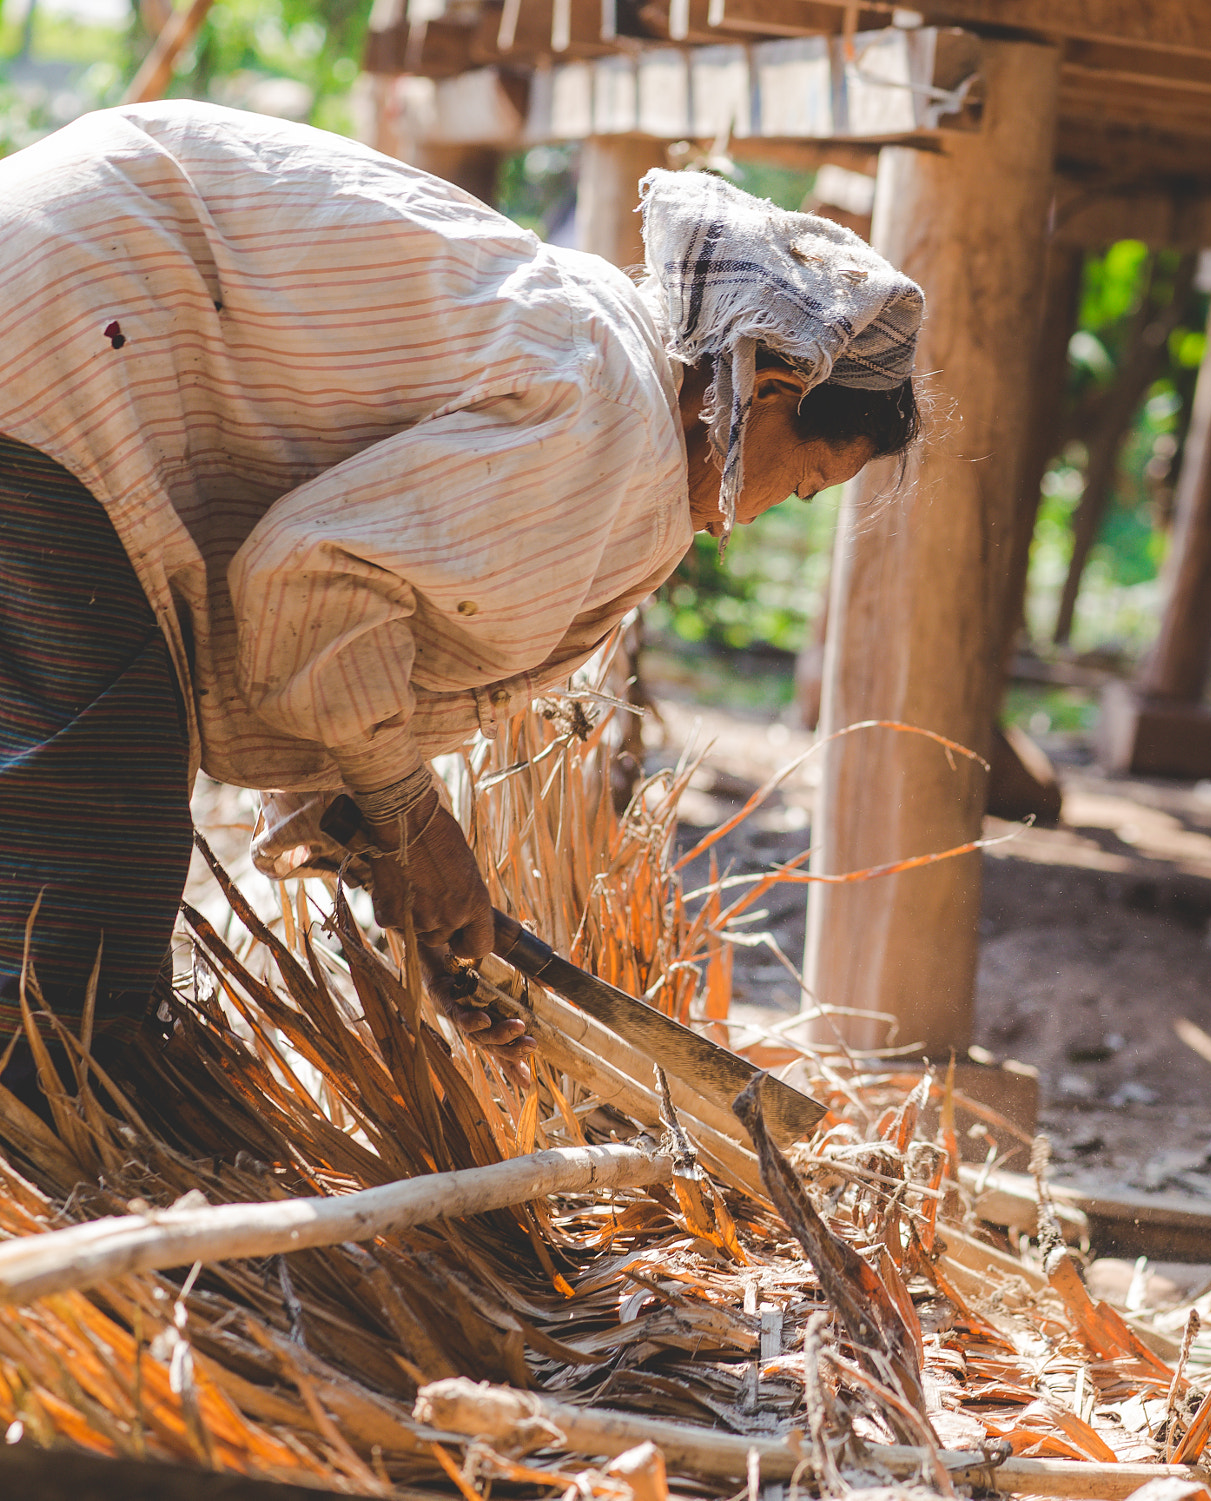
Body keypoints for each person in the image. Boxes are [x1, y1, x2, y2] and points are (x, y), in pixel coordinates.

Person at [0, 101, 923, 1090]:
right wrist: (411, 816)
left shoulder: (602, 360)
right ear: (772, 383)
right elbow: (303, 575)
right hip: (73, 333)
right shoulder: (607, 431)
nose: (758, 513)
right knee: (88, 866)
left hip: (69, 293)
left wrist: (383, 837)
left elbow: (313, 605)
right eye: (804, 481)